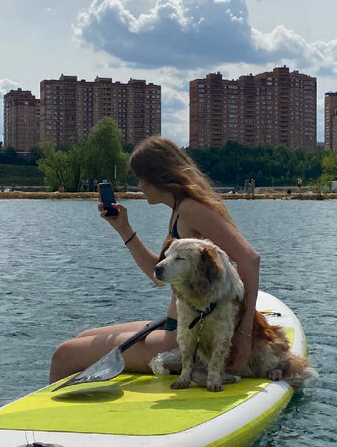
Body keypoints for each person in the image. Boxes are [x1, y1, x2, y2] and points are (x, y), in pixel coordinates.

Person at [48, 136, 260, 383]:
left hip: (186, 338)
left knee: (64, 355)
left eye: (141, 178)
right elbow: (157, 275)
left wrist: (244, 336)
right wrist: (124, 228)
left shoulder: (192, 209)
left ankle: (46, 421)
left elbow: (249, 259)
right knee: (82, 337)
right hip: (174, 325)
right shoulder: (179, 212)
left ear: (158, 175)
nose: (139, 185)